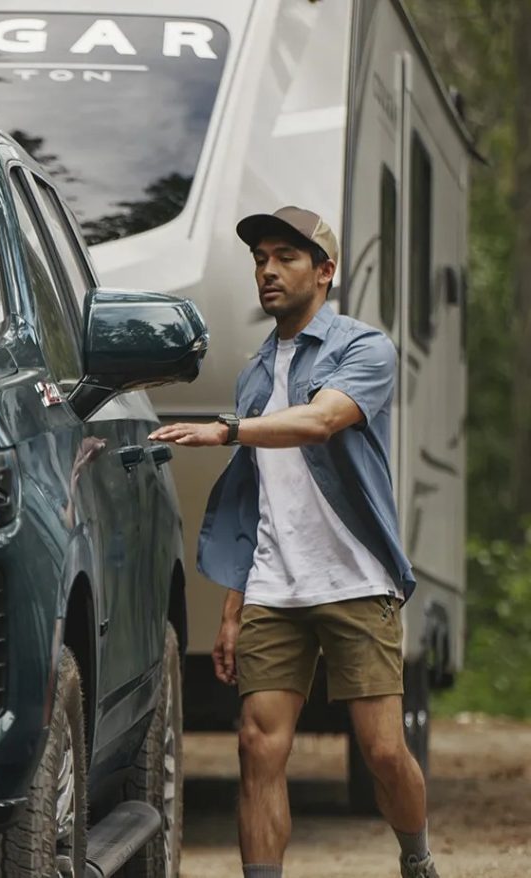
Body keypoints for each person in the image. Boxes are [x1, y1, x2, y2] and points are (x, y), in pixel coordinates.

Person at [149, 206, 439, 878]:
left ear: (325, 271)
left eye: (286, 256)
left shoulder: (365, 349)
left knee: (384, 751)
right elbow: (257, 496)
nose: (268, 270)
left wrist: (227, 430)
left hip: (357, 582)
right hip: (274, 588)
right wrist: (232, 605)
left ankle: (416, 856)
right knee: (257, 745)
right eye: (260, 259)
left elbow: (320, 421)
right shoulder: (254, 371)